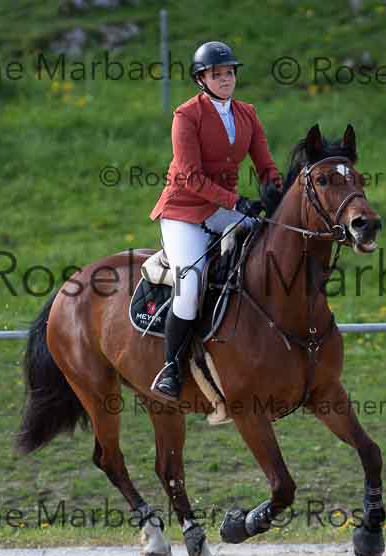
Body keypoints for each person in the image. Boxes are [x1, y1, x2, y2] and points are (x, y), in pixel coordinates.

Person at [148, 40, 284, 399]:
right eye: (216, 74)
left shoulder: (247, 114)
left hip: (223, 210)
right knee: (189, 285)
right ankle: (171, 368)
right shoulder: (186, 116)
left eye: (229, 73)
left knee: (268, 247)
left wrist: (276, 193)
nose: (225, 79)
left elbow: (266, 166)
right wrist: (237, 202)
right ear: (201, 79)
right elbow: (191, 177)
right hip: (183, 213)